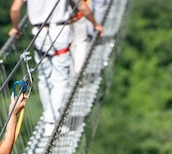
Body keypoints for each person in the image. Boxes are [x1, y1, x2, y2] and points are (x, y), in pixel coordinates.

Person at [8, 0, 103, 136]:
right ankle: (52, 121)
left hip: (38, 34)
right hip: (60, 33)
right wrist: (96, 24)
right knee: (61, 79)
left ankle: (49, 122)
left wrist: (15, 27)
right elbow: (82, 6)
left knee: (44, 78)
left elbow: (15, 10)